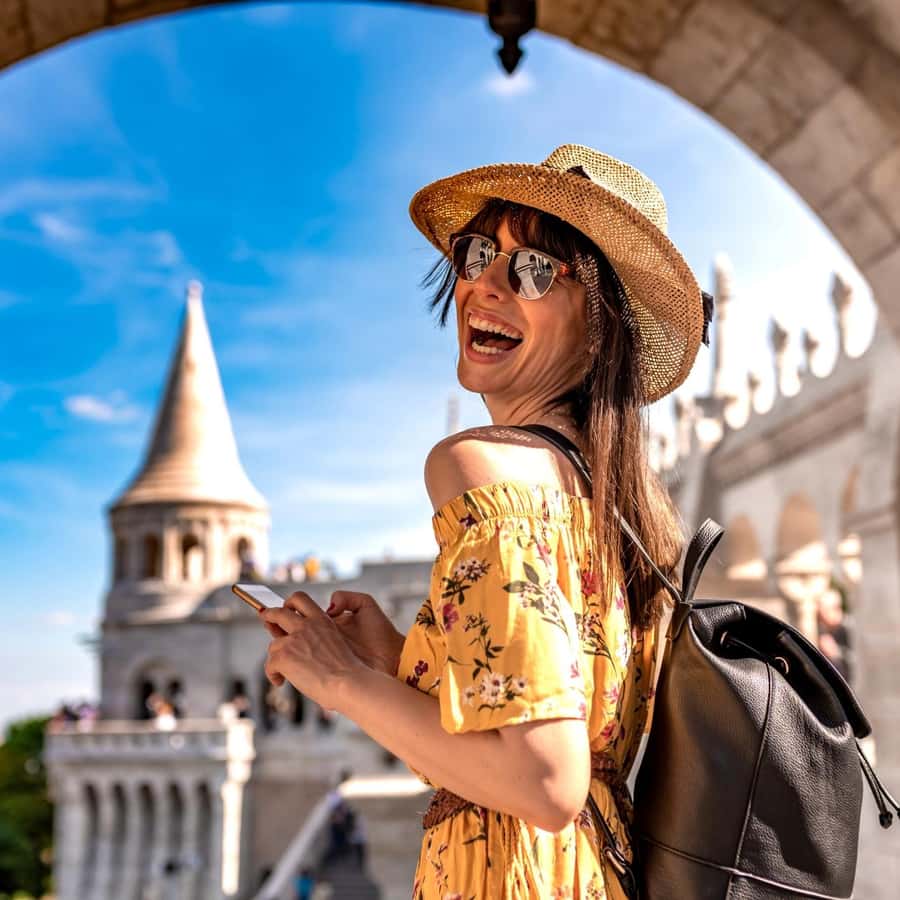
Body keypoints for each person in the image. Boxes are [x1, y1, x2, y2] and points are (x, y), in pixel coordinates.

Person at [257, 144, 706, 898]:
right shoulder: (623, 507)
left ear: (601, 325)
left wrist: (339, 680)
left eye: (533, 269)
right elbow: (517, 750)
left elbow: (543, 783)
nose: (484, 285)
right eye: (476, 254)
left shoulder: (481, 469)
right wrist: (391, 664)